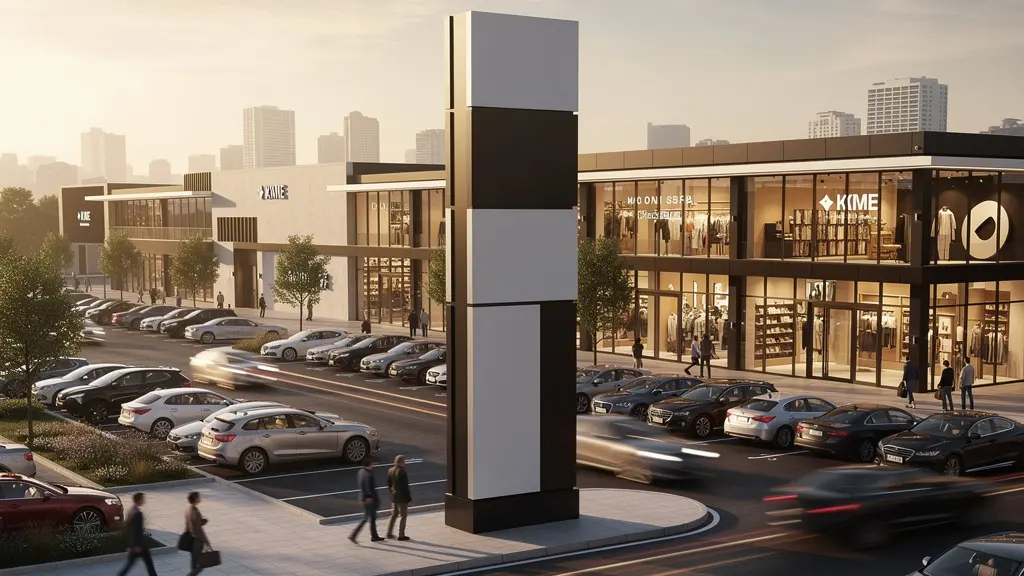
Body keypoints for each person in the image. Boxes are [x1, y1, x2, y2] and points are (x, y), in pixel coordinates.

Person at [116, 492, 157, 576]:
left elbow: (128, 529)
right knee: (148, 565)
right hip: (140, 545)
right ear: (139, 500)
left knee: (132, 564)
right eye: (143, 498)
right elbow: (136, 530)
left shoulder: (131, 510)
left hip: (135, 544)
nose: (144, 500)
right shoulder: (137, 513)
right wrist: (137, 545)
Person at [349, 456, 383, 543]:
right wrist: (370, 497)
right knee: (366, 517)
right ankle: (353, 535)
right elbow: (369, 488)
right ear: (370, 463)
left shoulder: (361, 471)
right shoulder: (369, 474)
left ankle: (374, 535)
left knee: (372, 517)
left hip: (363, 498)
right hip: (369, 500)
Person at [386, 455, 412, 541]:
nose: (404, 462)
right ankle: (401, 535)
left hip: (394, 497)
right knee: (403, 516)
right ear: (401, 462)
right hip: (402, 498)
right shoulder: (402, 472)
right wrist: (408, 499)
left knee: (394, 514)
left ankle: (389, 533)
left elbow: (389, 484)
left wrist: (392, 492)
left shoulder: (391, 470)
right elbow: (405, 487)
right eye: (403, 461)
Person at [185, 491, 210, 576]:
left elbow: (192, 524)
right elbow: (198, 529)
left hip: (191, 539)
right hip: (197, 541)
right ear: (196, 499)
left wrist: (202, 521)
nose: (200, 498)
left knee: (194, 564)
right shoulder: (195, 512)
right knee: (200, 565)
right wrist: (206, 541)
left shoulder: (189, 509)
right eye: (199, 497)